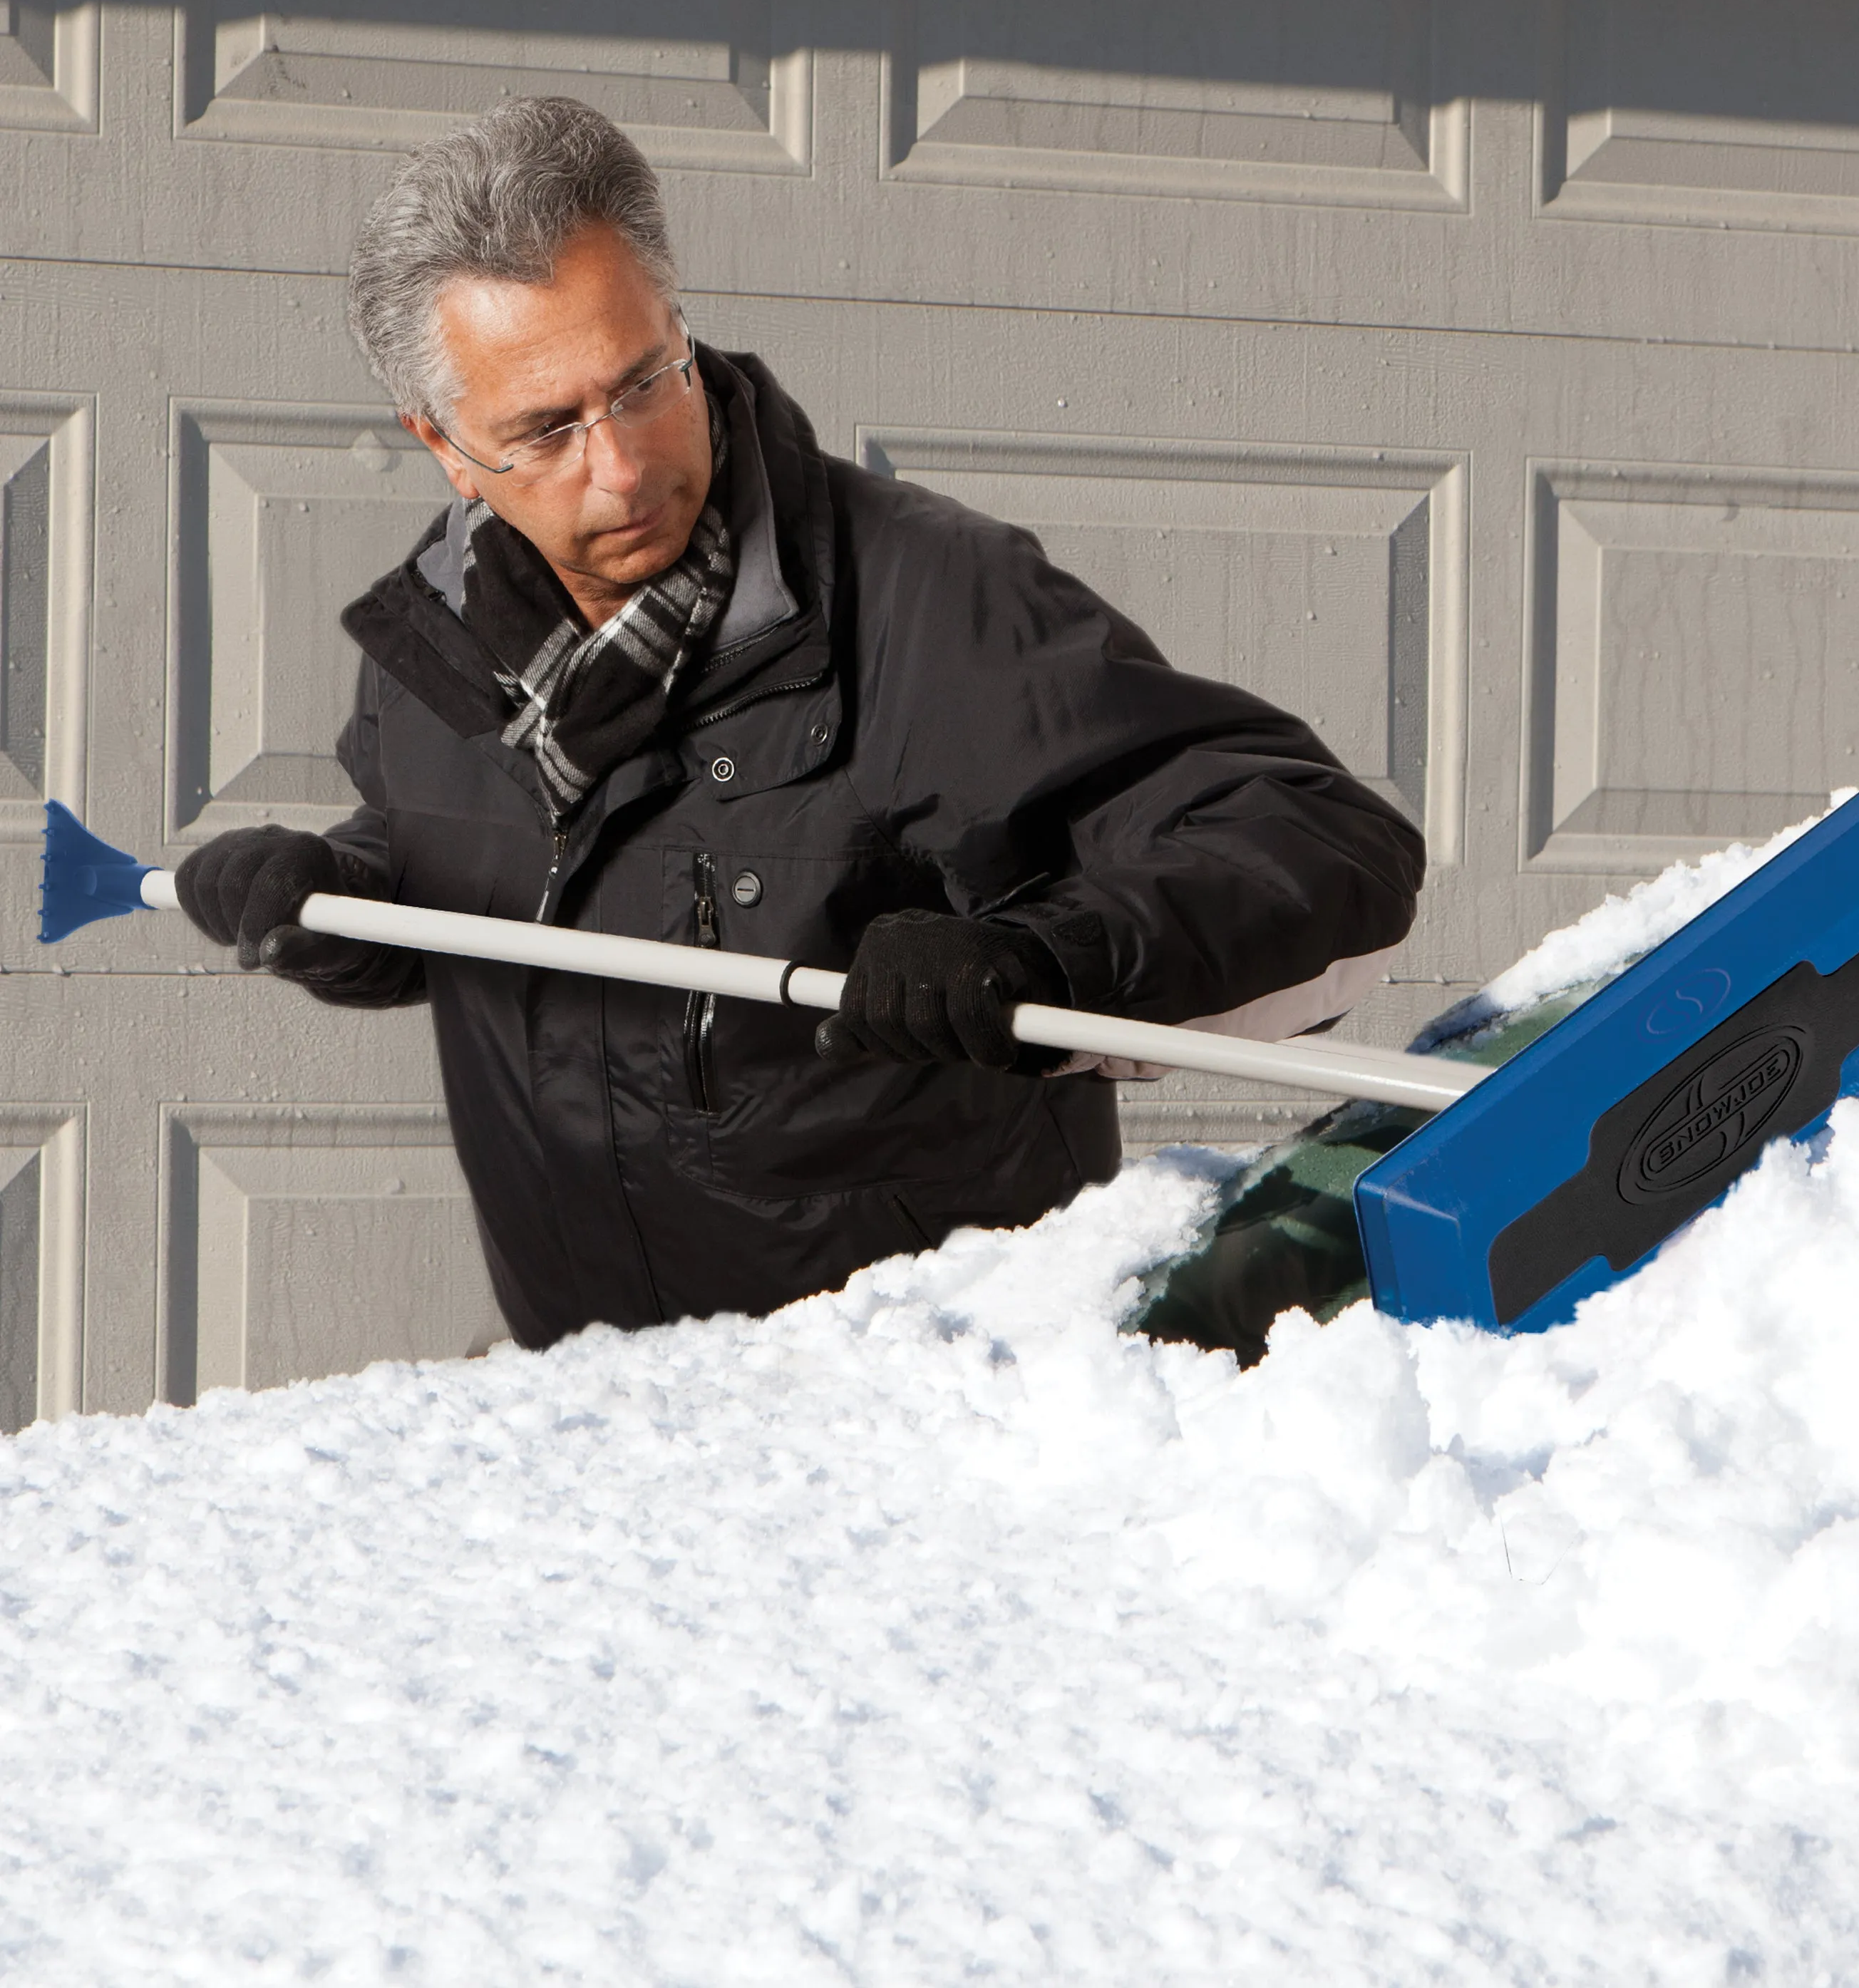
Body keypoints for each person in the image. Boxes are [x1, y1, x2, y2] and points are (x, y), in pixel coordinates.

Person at [175, 97, 1425, 1351]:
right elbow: (503, 893)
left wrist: (1048, 953)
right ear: (447, 449)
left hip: (914, 1408)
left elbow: (1322, 848)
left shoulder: (928, 605)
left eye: (643, 384)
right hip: (592, 1398)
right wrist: (337, 897)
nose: (620, 466)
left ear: (679, 326)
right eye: (547, 430)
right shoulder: (442, 645)